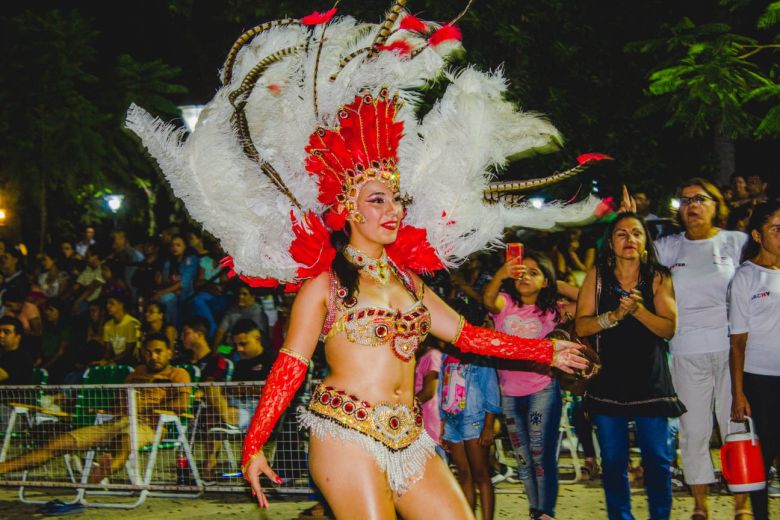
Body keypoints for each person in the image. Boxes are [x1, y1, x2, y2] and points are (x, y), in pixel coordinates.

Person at [127, 7, 599, 516]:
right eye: (378, 200)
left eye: (397, 200)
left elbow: (466, 335)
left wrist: (544, 354)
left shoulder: (409, 282)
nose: (394, 210)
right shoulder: (324, 285)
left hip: (411, 435)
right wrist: (253, 443)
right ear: (348, 208)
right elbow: (290, 365)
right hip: (346, 432)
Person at [650, 180, 749, 520]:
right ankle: (700, 504)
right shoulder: (666, 247)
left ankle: (742, 504)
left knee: (736, 425)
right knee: (693, 430)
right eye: (685, 200)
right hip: (685, 348)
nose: (692, 205)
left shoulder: (736, 242)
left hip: (732, 349)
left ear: (716, 205)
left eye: (700, 199)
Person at [576, 211, 684, 520]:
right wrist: (613, 317)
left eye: (636, 233)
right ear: (610, 242)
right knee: (612, 461)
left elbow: (668, 328)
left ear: (645, 241)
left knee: (658, 460)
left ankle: (659, 516)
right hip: (609, 381)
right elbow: (582, 326)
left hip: (650, 380)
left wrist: (637, 311)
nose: (629, 239)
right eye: (621, 234)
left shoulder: (658, 277)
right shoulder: (598, 275)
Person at [0, 333, 190, 480]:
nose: (153, 356)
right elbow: (117, 401)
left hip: (148, 425)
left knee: (124, 441)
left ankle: (105, 468)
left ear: (169, 353)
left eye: (158, 351)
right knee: (57, 444)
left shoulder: (178, 374)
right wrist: (110, 408)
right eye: (148, 352)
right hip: (113, 422)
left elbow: (182, 404)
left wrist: (144, 408)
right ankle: (4, 468)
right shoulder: (136, 373)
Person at [483, 250, 568, 520]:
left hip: (542, 389)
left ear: (545, 282)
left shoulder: (553, 310)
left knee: (540, 452)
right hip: (509, 392)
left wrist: (553, 283)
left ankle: (546, 512)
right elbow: (487, 299)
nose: (525, 277)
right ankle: (535, 508)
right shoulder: (505, 303)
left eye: (534, 273)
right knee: (522, 457)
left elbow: (584, 296)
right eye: (522, 272)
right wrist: (502, 273)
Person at [729, 201, 780, 520]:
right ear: (758, 236)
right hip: (759, 377)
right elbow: (738, 341)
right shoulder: (746, 278)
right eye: (777, 229)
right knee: (766, 448)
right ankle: (761, 514)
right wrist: (738, 392)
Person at [440, 351, 501, 520]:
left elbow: (491, 392)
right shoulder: (445, 356)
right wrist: (442, 423)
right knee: (464, 473)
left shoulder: (481, 358)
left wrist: (488, 425)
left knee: (481, 474)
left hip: (474, 419)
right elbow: (442, 390)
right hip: (452, 421)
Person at [212, 285, 268, 350]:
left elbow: (257, 336)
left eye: (245, 294)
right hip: (231, 348)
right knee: (219, 351)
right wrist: (215, 348)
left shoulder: (258, 312)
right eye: (239, 294)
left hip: (248, 349)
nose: (240, 296)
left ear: (253, 297)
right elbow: (221, 330)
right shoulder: (232, 309)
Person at [414, 339, 444, 459]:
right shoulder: (423, 356)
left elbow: (428, 392)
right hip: (423, 415)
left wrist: (408, 409)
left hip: (430, 416)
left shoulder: (433, 355)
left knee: (436, 458)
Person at [102, 294, 141, 365]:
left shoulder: (131, 323)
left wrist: (112, 361)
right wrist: (105, 360)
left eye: (111, 303)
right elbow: (107, 349)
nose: (108, 306)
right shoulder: (107, 325)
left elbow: (129, 352)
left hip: (131, 361)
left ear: (121, 305)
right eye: (107, 303)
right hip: (115, 360)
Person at [0, 316, 34, 385]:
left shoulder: (21, 357)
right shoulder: (3, 354)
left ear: (18, 337)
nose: (1, 335)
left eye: (6, 332)